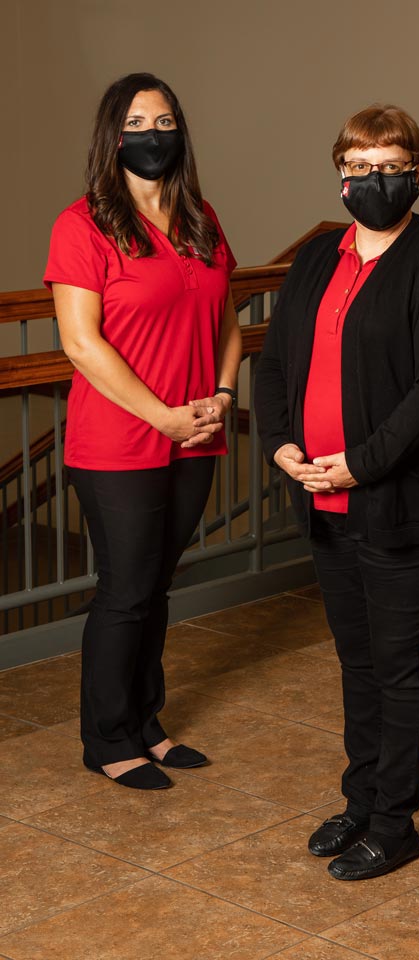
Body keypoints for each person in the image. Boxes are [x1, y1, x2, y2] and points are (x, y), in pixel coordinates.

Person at [254, 104, 419, 879]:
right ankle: (361, 800)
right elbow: (277, 358)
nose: (373, 181)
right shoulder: (317, 257)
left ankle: (396, 820)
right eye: (358, 168)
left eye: (389, 167)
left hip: (401, 499)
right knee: (357, 659)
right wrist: (283, 442)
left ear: (416, 171)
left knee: (399, 662)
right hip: (322, 495)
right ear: (340, 175)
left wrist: (360, 462)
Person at [44, 73, 241, 790]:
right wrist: (159, 414)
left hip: (196, 435)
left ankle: (146, 722)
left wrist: (221, 393)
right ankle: (107, 737)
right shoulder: (83, 224)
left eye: (164, 121)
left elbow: (227, 323)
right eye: (136, 122)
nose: (152, 135)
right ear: (112, 135)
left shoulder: (201, 219)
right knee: (125, 590)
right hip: (119, 441)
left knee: (156, 586)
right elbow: (80, 343)